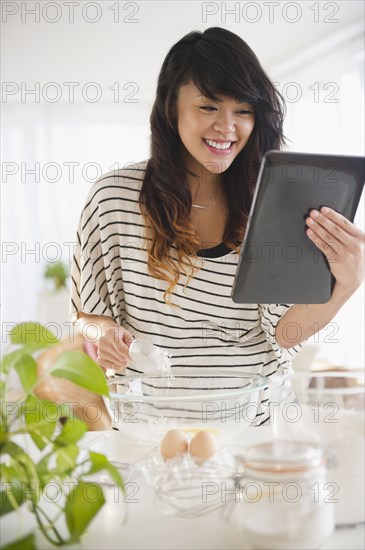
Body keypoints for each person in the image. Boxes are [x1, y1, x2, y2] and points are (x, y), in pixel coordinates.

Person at [68, 27, 364, 427]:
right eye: (208, 107)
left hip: (249, 431)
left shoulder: (276, 200)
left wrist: (346, 283)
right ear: (172, 108)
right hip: (146, 434)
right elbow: (86, 314)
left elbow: (285, 334)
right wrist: (101, 333)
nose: (228, 127)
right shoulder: (113, 199)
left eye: (243, 110)